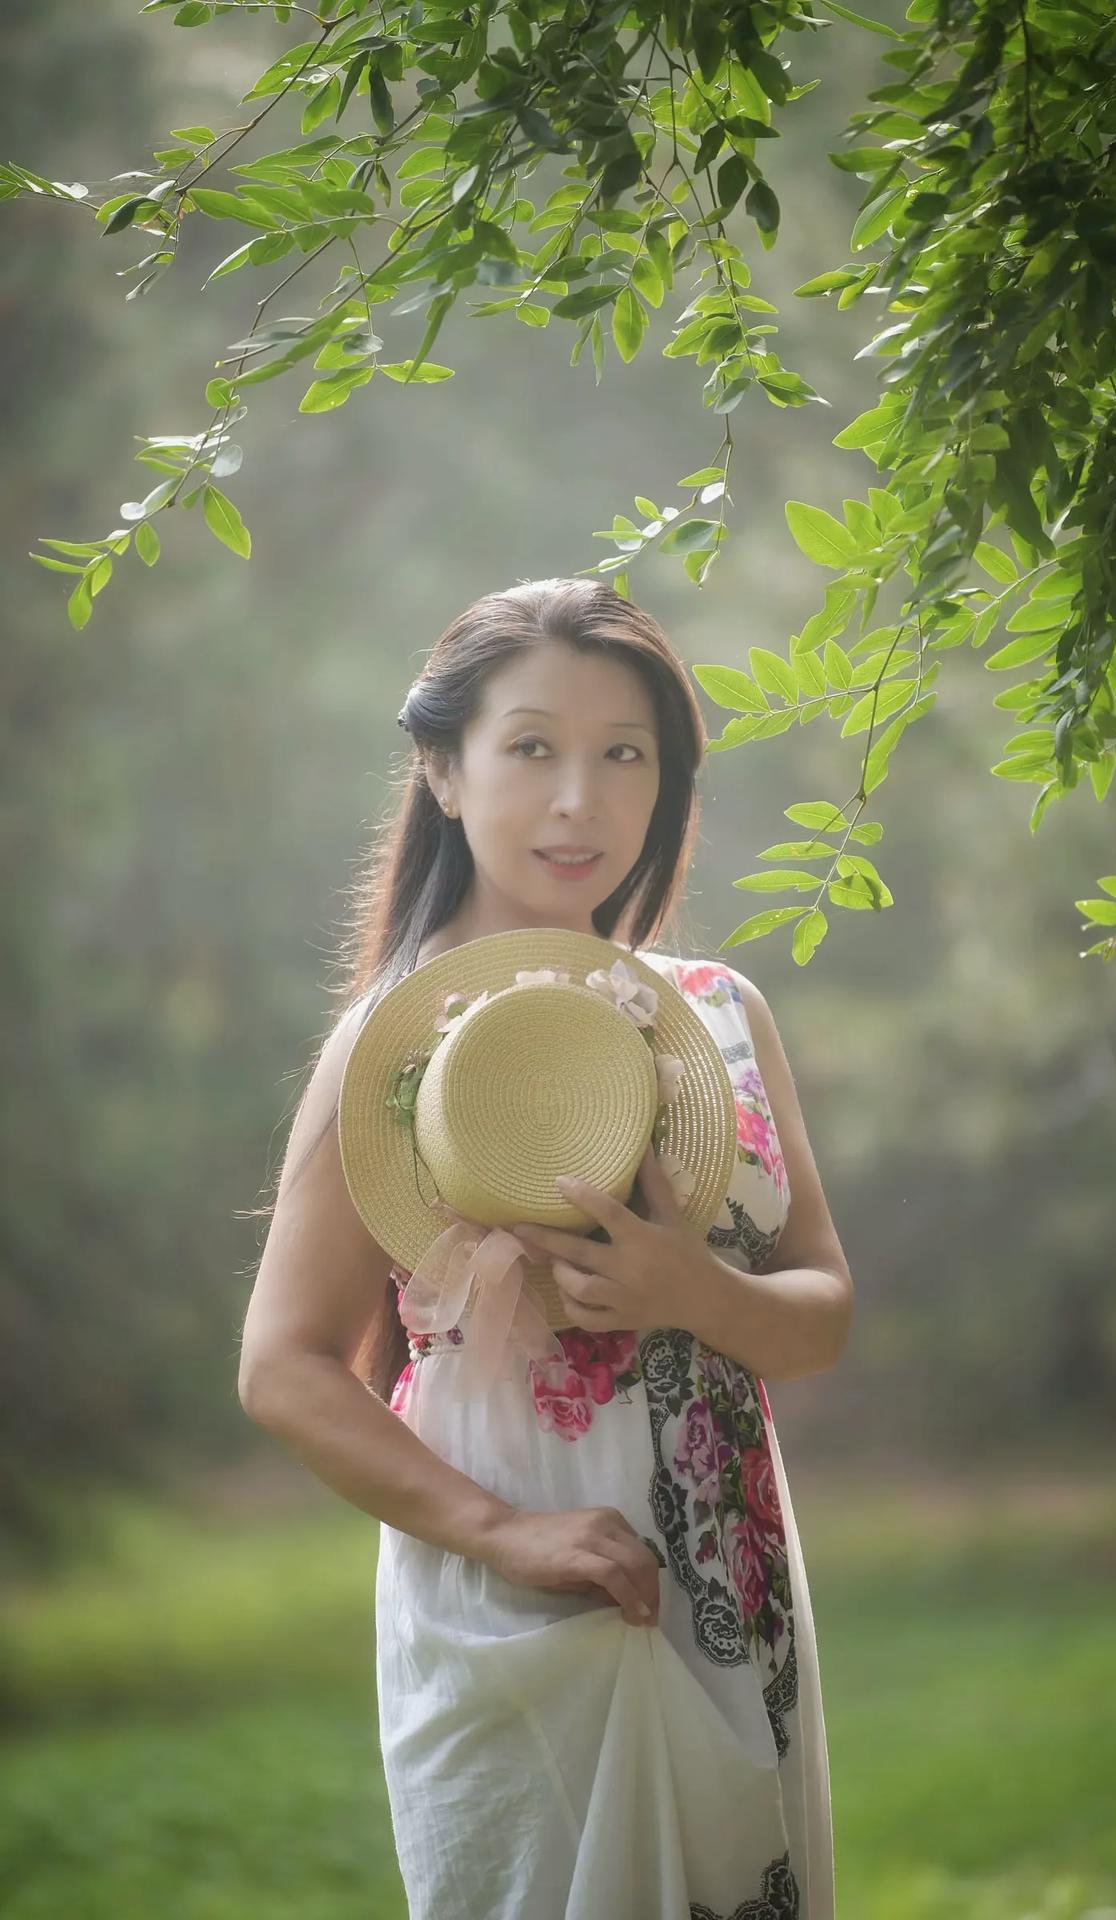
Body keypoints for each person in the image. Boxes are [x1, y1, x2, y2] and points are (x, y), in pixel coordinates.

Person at [237, 577, 853, 1918]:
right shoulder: (395, 1052)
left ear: (666, 781)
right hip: (522, 1594)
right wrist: (500, 1534)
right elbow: (285, 1366)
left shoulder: (723, 1016)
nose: (580, 799)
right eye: (532, 748)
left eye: (623, 754)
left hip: (728, 1569)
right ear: (442, 772)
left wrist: (689, 1290)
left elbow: (823, 1311)